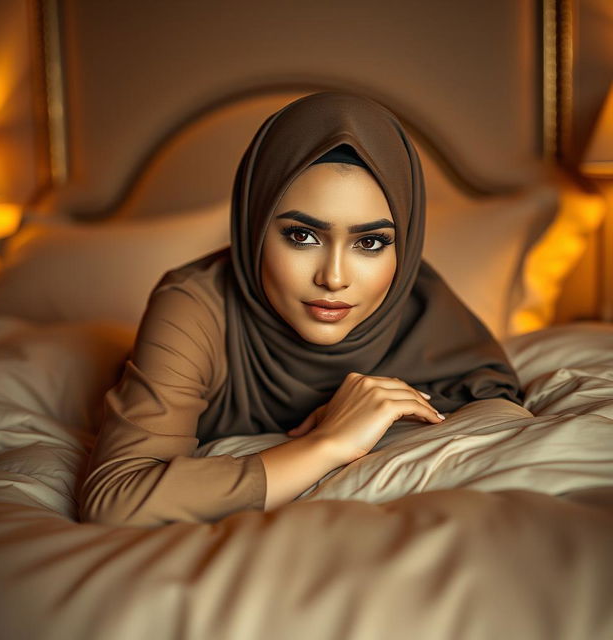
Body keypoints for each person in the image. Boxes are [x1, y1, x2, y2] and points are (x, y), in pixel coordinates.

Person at [79, 91, 523, 527]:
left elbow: (497, 412)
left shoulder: (422, 304)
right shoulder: (194, 304)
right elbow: (116, 498)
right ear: (254, 227)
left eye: (370, 243)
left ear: (402, 248)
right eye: (302, 236)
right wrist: (328, 444)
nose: (333, 278)